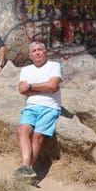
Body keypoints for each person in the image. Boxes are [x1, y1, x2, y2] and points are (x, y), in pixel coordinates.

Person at [15, 41, 62, 178]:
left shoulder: (54, 66)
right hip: (31, 107)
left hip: (50, 107)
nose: (37, 53)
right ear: (30, 55)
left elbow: (53, 85)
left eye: (40, 50)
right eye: (34, 51)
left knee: (37, 136)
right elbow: (22, 90)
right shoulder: (26, 70)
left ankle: (28, 168)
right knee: (22, 130)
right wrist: (45, 87)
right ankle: (25, 167)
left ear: (45, 52)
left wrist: (31, 87)